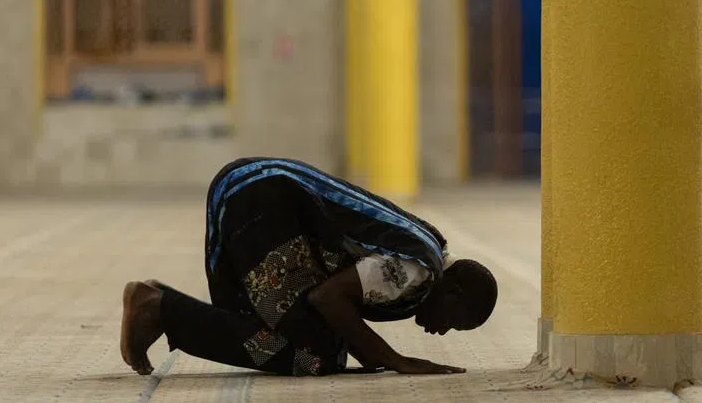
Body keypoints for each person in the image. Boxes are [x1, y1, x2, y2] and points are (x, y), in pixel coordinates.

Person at [120, 157, 498, 377]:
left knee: (309, 338)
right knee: (316, 353)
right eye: (455, 320)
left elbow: (342, 295)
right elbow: (329, 297)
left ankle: (162, 310)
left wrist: (369, 355)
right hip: (264, 201)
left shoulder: (429, 246)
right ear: (454, 291)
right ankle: (157, 308)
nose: (443, 331)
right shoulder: (419, 272)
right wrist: (393, 359)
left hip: (249, 186)